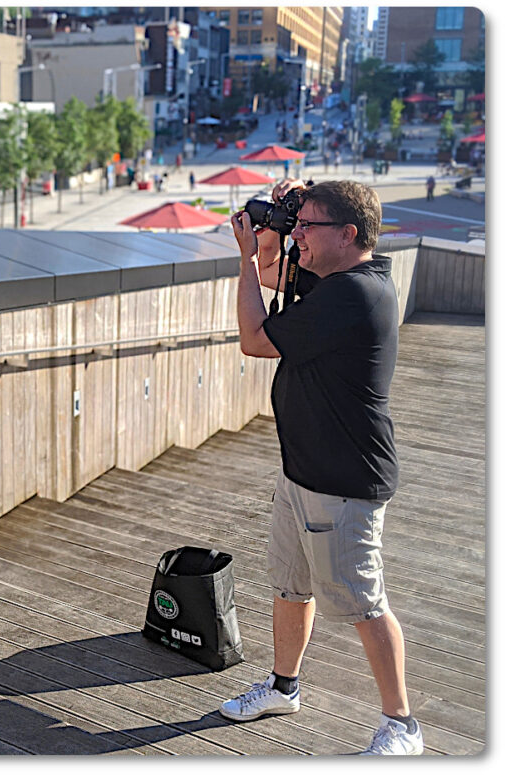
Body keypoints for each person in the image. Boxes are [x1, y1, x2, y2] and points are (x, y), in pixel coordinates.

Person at [221, 179, 423, 755]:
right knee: (291, 586)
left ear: (349, 234)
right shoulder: (337, 279)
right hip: (303, 472)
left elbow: (255, 340)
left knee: (364, 602)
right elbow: (270, 275)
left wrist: (242, 253)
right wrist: (275, 231)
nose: (299, 236)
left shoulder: (354, 294)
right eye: (298, 224)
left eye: (308, 226)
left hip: (343, 481)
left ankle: (402, 727)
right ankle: (284, 687)